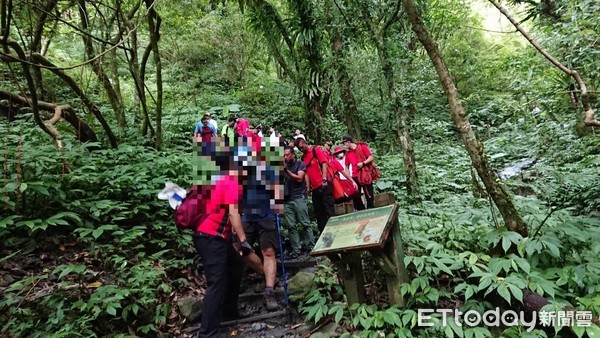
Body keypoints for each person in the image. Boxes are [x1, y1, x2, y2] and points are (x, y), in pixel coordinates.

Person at [192, 139, 254, 338]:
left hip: (218, 236)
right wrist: (244, 241)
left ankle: (229, 310)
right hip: (210, 237)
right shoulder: (230, 182)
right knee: (216, 282)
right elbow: (234, 215)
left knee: (235, 268)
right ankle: (207, 332)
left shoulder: (221, 179)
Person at [240, 141, 283, 311]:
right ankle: (266, 274)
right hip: (247, 216)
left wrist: (279, 209)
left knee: (269, 251)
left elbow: (276, 188)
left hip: (266, 215)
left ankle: (269, 290)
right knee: (241, 250)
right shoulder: (238, 172)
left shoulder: (265, 168)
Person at [295, 135, 334, 232]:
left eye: (302, 147)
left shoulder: (316, 150)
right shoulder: (303, 158)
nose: (301, 149)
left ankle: (334, 229)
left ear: (305, 143)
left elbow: (324, 163)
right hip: (315, 188)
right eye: (299, 148)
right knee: (319, 212)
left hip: (324, 184)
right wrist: (308, 187)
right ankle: (323, 233)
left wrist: (324, 179)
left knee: (328, 208)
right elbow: (306, 173)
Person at [283, 146, 314, 258]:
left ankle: (310, 246)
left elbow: (299, 178)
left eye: (287, 155)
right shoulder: (282, 166)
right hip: (286, 199)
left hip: (299, 197)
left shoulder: (300, 164)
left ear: (293, 155)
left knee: (305, 223)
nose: (285, 157)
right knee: (291, 226)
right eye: (284, 155)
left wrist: (286, 171)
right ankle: (296, 250)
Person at [343, 135, 375, 210]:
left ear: (348, 142)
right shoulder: (348, 154)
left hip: (365, 174)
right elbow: (346, 167)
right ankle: (362, 211)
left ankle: (371, 210)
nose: (344, 145)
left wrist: (363, 163)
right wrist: (350, 179)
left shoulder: (362, 147)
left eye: (345, 143)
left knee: (369, 195)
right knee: (356, 196)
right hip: (355, 176)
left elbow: (371, 157)